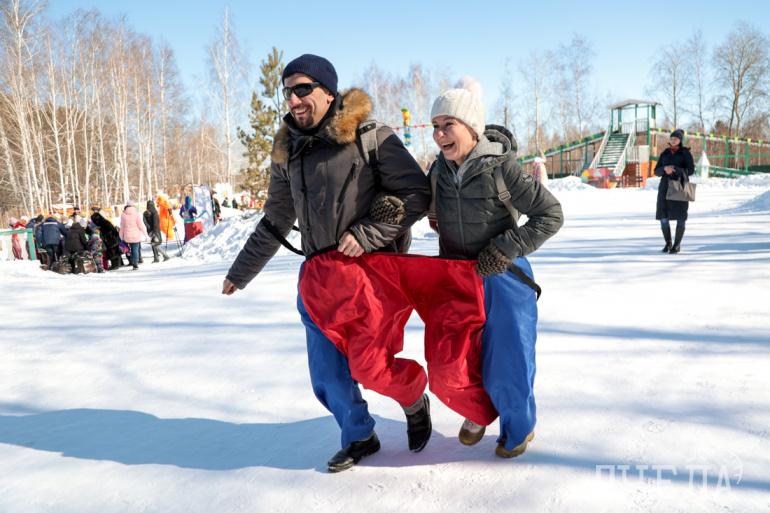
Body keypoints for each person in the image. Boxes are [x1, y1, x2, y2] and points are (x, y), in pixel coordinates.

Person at [222, 54, 431, 472]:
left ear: (329, 92)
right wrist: (240, 273)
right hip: (318, 281)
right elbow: (276, 220)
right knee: (328, 376)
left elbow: (417, 194)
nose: (293, 100)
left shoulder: (368, 136)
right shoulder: (287, 151)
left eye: (303, 89)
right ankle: (358, 435)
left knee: (371, 367)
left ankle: (412, 397)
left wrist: (368, 232)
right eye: (287, 92)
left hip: (369, 277)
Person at [428, 82, 564, 457]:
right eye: (435, 126)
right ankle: (478, 410)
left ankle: (518, 427)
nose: (439, 134)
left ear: (472, 127)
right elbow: (414, 203)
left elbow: (550, 215)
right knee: (452, 361)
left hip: (503, 277)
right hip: (457, 277)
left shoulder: (501, 169)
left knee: (508, 360)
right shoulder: (438, 172)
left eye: (448, 124)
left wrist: (504, 248)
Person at [654, 129, 694, 254]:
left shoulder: (685, 153)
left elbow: (691, 170)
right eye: (671, 138)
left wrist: (675, 169)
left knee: (680, 216)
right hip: (665, 187)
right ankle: (668, 243)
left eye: (675, 139)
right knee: (663, 217)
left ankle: (677, 245)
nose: (673, 140)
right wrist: (664, 169)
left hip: (679, 186)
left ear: (680, 140)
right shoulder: (665, 153)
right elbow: (656, 171)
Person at [119, 200, 148, 270]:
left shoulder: (123, 214)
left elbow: (122, 227)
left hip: (127, 236)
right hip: (135, 236)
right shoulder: (136, 214)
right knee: (135, 250)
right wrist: (146, 234)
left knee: (128, 249)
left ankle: (131, 260)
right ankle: (135, 264)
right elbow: (140, 225)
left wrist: (121, 237)